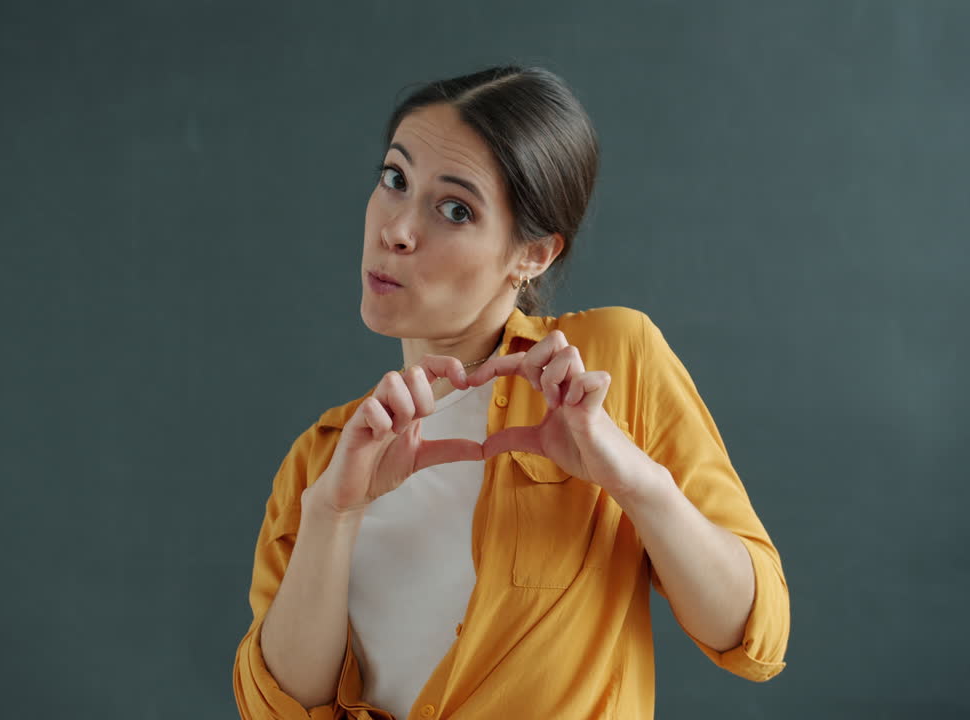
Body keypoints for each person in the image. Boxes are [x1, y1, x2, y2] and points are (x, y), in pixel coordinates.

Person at [232, 65, 789, 719]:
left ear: (533, 255)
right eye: (395, 179)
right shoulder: (321, 460)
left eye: (455, 209)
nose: (397, 230)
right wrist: (334, 514)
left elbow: (754, 632)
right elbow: (276, 708)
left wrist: (634, 481)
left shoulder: (611, 361)